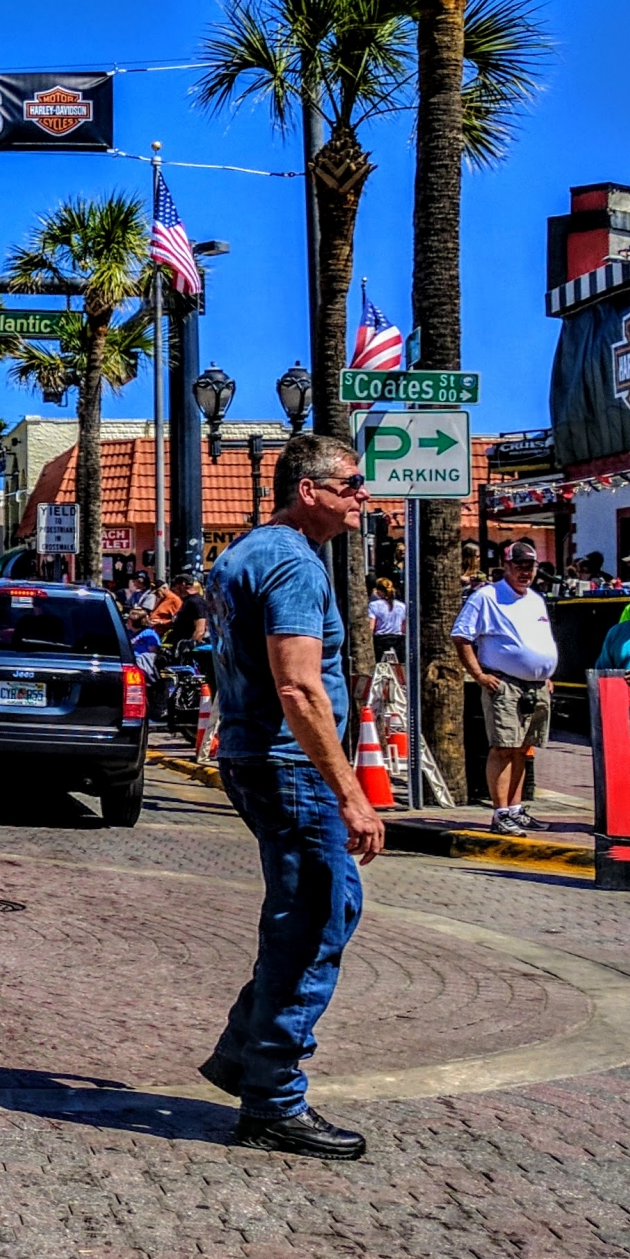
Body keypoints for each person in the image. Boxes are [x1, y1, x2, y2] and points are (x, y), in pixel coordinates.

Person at [198, 434, 385, 1161]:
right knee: (315, 919)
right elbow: (299, 685)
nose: (359, 497)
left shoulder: (244, 553)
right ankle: (272, 1097)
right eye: (349, 485)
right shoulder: (291, 564)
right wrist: (352, 792)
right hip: (289, 762)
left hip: (253, 754)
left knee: (306, 911)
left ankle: (245, 1055)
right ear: (307, 489)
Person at [451, 539, 559, 836]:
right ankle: (500, 813)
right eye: (519, 566)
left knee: (522, 748)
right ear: (507, 566)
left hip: (536, 686)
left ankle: (515, 808)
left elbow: (537, 638)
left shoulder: (535, 598)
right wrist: (478, 674)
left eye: (530, 567)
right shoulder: (486, 596)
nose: (525, 572)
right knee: (503, 747)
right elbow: (461, 636)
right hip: (506, 683)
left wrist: (544, 672)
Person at [367, 578, 406, 662]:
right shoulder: (402, 606)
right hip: (398, 641)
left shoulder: (373, 605)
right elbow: (403, 627)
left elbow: (371, 626)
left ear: (379, 591)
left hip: (381, 641)